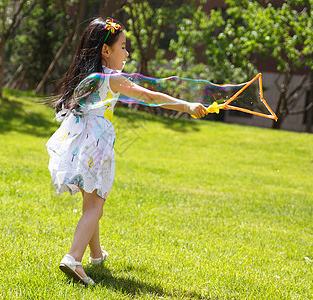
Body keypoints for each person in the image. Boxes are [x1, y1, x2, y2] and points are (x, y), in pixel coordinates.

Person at [46, 17, 207, 286]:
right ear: (106, 51)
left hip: (80, 144)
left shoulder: (87, 77)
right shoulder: (113, 78)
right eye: (123, 46)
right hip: (97, 145)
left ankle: (96, 256)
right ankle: (74, 258)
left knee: (91, 203)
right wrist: (187, 106)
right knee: (95, 206)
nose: (127, 52)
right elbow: (150, 97)